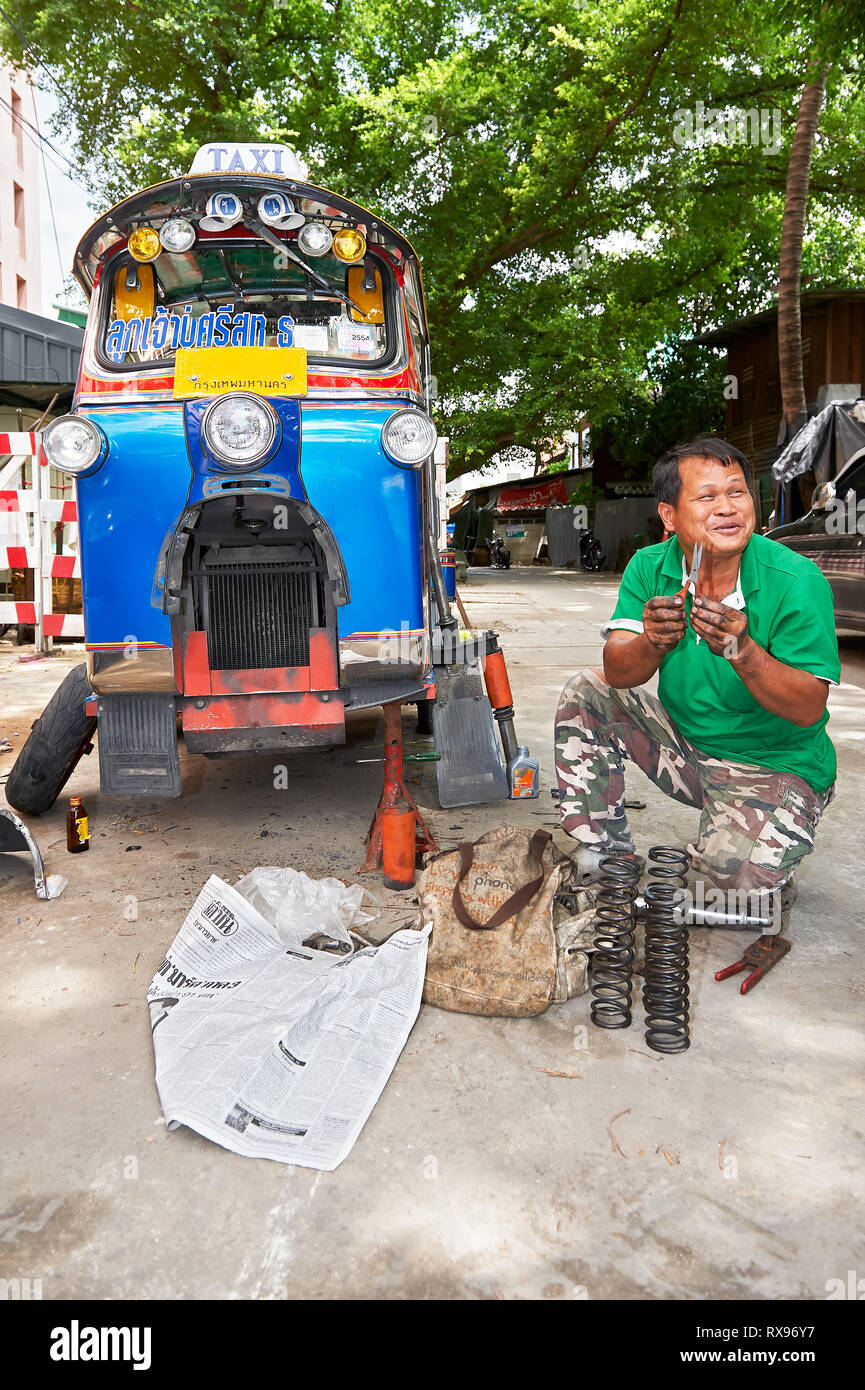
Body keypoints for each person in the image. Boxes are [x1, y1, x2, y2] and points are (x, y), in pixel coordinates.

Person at [554, 437, 839, 909]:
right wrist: (653, 642)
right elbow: (619, 673)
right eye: (707, 497)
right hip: (685, 748)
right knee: (586, 692)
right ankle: (604, 853)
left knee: (731, 891)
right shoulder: (651, 566)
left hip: (773, 763)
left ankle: (769, 834)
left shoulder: (796, 580)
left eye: (738, 492)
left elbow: (809, 707)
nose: (727, 509)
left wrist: (743, 652)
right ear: (669, 515)